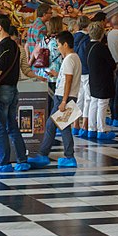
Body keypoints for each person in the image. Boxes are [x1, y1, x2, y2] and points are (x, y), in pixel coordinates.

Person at [0, 15, 30, 172]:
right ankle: (22, 158)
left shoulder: (4, 45)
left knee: (0, 127)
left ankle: (3, 162)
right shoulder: (15, 45)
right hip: (13, 89)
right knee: (12, 125)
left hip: (3, 91)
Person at [28, 31, 82, 168]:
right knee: (53, 125)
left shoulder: (69, 59)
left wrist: (63, 101)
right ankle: (44, 154)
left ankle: (68, 157)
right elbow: (67, 77)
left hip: (64, 97)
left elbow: (69, 81)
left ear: (65, 44)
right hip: (65, 96)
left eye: (58, 44)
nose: (57, 47)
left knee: (62, 127)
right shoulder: (74, 58)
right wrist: (57, 74)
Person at [86, 22, 116, 140]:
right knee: (103, 104)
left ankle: (91, 128)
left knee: (94, 103)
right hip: (104, 79)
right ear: (102, 34)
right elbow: (112, 64)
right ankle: (102, 129)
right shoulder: (102, 47)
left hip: (92, 78)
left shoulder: (88, 46)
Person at [73, 15, 91, 137]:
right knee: (88, 98)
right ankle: (85, 124)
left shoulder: (73, 37)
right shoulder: (88, 38)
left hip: (75, 71)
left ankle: (75, 125)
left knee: (78, 98)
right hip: (87, 70)